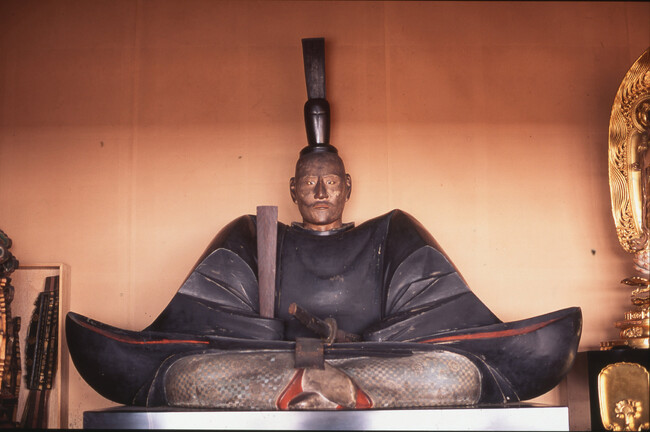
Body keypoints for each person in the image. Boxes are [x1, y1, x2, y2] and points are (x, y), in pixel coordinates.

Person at [65, 38, 581, 410]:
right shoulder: (252, 235)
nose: (319, 193)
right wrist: (276, 339)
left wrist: (365, 342)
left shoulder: (391, 233)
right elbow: (203, 329)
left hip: (375, 364)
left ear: (348, 186)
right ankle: (319, 389)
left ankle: (336, 389)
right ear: (291, 189)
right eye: (309, 182)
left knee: (451, 373)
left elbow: (436, 325)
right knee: (191, 375)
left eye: (330, 182)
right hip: (272, 367)